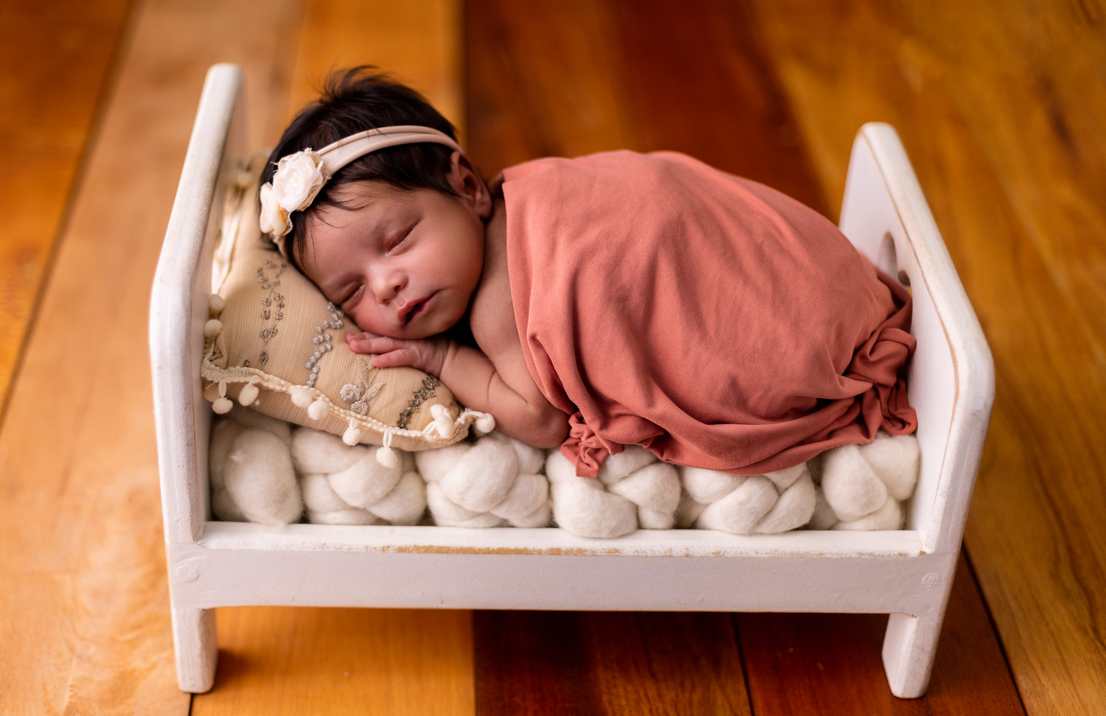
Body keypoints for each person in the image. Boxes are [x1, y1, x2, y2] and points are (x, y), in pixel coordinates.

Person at [260, 67, 916, 478]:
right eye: (350, 291)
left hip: (800, 345)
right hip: (835, 278)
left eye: (398, 240)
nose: (386, 285)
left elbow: (541, 421)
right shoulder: (534, 184)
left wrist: (442, 360)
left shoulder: (495, 308)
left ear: (468, 187)